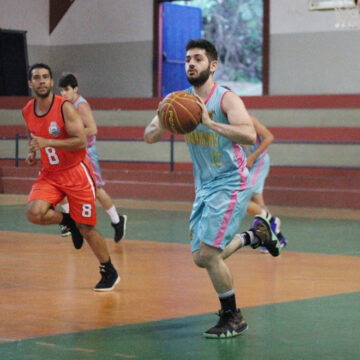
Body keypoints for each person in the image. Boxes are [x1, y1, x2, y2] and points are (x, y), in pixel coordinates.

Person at [144, 39, 282, 339]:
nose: (191, 64)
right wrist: (163, 117)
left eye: (198, 59)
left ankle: (233, 317)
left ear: (213, 65)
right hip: (205, 186)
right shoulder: (178, 101)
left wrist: (209, 123)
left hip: (232, 181)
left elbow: (248, 135)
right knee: (200, 257)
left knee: (207, 254)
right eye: (187, 60)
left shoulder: (226, 99)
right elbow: (149, 136)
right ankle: (256, 234)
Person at [23, 63, 120, 291]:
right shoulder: (27, 109)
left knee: (86, 227)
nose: (42, 81)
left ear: (50, 81)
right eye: (37, 78)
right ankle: (68, 222)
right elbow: (35, 136)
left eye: (46, 77)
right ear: (31, 83)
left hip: (76, 171)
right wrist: (32, 152)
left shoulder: (64, 107)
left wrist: (49, 142)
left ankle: (109, 271)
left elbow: (81, 141)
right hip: (50, 173)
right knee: (34, 212)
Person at [57, 74, 127, 242]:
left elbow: (93, 129)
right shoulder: (64, 105)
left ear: (75, 88)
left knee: (95, 189)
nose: (64, 93)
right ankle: (68, 221)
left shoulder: (80, 105)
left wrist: (72, 135)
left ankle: (117, 221)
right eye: (61, 90)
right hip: (72, 151)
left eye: (67, 90)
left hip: (86, 151)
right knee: (60, 184)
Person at [244, 113, 287, 253]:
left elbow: (269, 137)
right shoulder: (226, 123)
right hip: (248, 163)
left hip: (258, 161)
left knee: (242, 197)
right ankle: (277, 237)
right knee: (256, 202)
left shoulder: (249, 119)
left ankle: (271, 222)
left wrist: (252, 157)